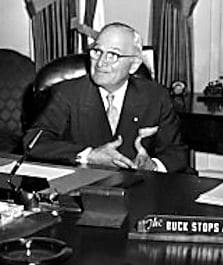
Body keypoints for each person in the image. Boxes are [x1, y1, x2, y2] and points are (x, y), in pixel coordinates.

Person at [23, 22, 188, 173]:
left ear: (135, 64)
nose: (101, 62)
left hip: (139, 191)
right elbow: (33, 142)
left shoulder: (156, 96)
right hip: (84, 188)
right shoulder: (67, 93)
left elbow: (176, 153)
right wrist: (89, 155)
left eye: (113, 55)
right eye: (97, 51)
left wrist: (153, 165)